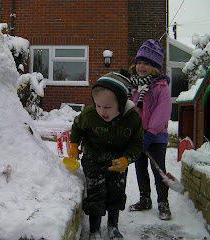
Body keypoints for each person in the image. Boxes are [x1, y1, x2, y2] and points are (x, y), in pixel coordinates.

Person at [68, 72, 144, 240]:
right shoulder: (89, 115)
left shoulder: (133, 119)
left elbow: (137, 143)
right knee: (95, 193)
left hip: (118, 161)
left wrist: (127, 159)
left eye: (108, 107)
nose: (102, 111)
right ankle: (95, 230)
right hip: (93, 159)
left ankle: (113, 226)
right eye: (98, 105)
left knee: (116, 192)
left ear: (122, 103)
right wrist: (74, 145)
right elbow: (77, 128)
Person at [127, 39, 172, 221]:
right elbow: (131, 108)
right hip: (138, 135)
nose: (141, 67)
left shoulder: (161, 86)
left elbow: (163, 111)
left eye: (146, 63)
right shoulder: (134, 86)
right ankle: (145, 199)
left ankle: (163, 203)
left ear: (154, 67)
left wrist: (151, 133)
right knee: (140, 168)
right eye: (139, 62)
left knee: (158, 168)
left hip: (157, 136)